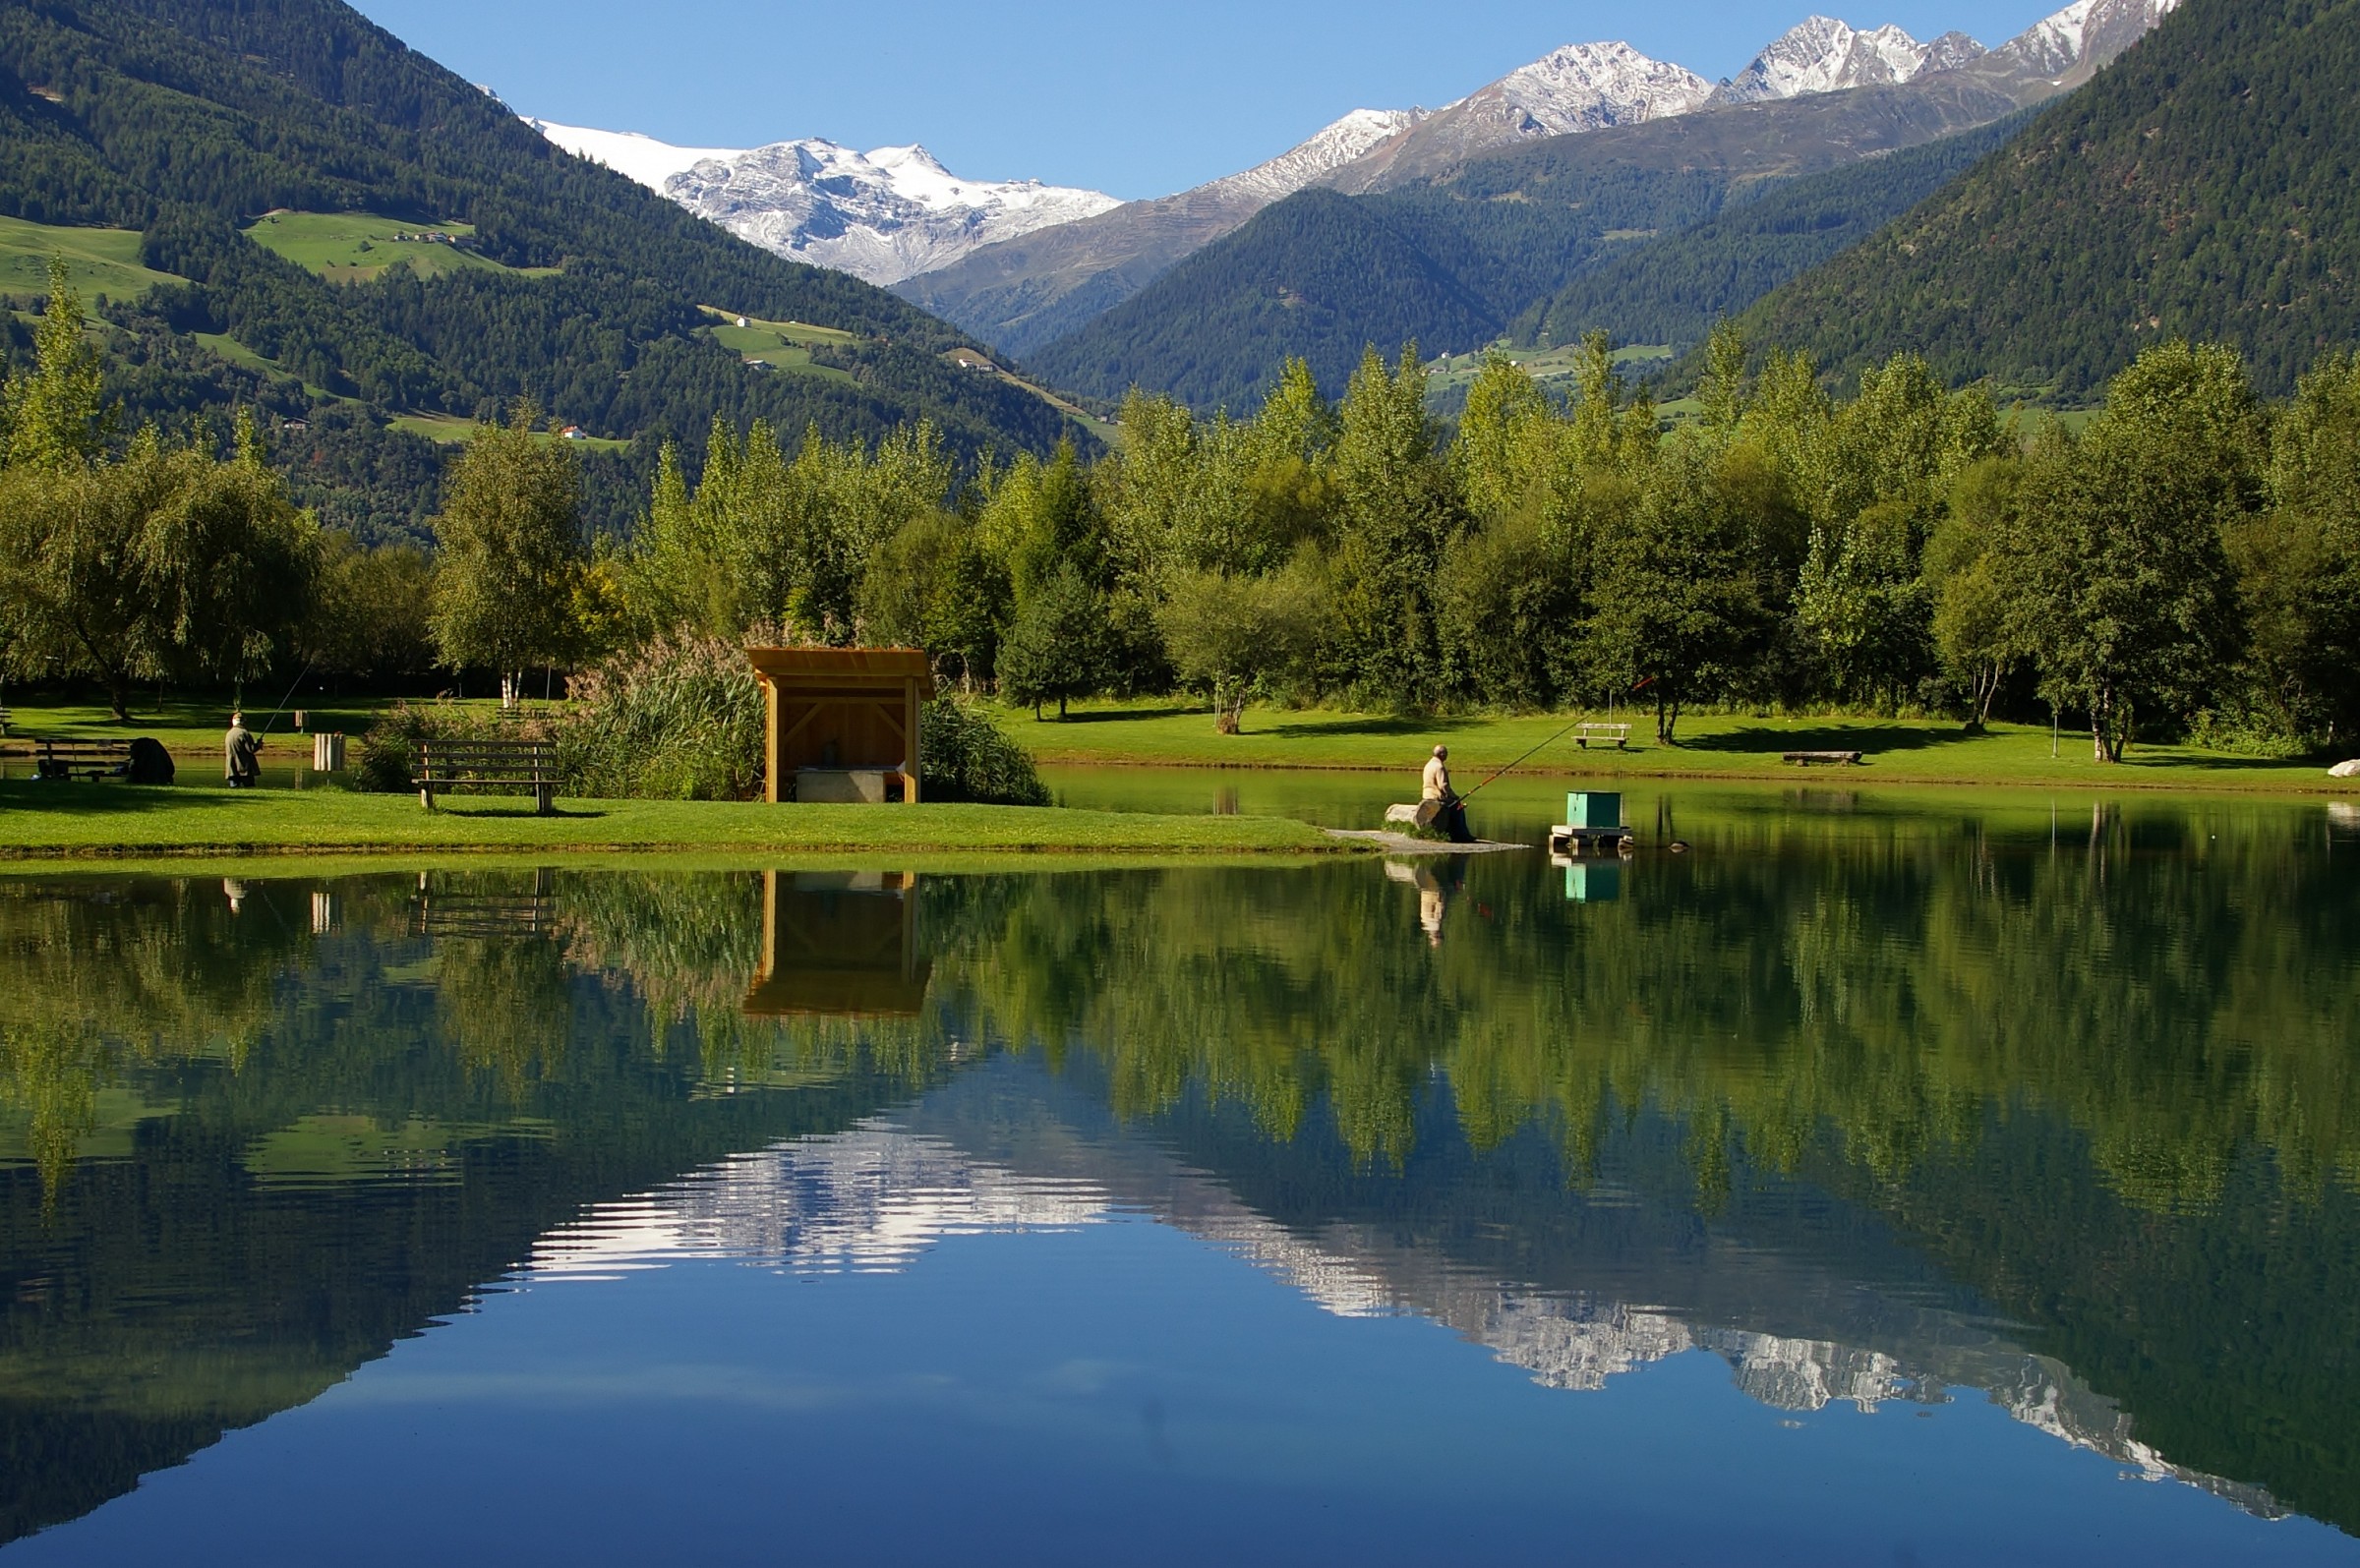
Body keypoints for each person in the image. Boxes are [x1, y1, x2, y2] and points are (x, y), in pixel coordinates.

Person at [1419, 744, 1474, 843]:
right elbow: (1443, 785)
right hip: (1436, 796)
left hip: (1426, 795)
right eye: (1446, 753)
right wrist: (1455, 797)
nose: (1447, 756)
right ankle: (1461, 835)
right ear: (1442, 754)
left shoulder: (1428, 764)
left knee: (1454, 805)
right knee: (1458, 807)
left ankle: (1451, 832)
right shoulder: (1439, 766)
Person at [224, 712, 261, 787]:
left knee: (234, 789)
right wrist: (258, 745)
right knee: (249, 787)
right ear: (243, 722)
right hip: (244, 768)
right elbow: (251, 749)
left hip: (232, 767)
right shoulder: (244, 733)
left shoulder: (229, 733)